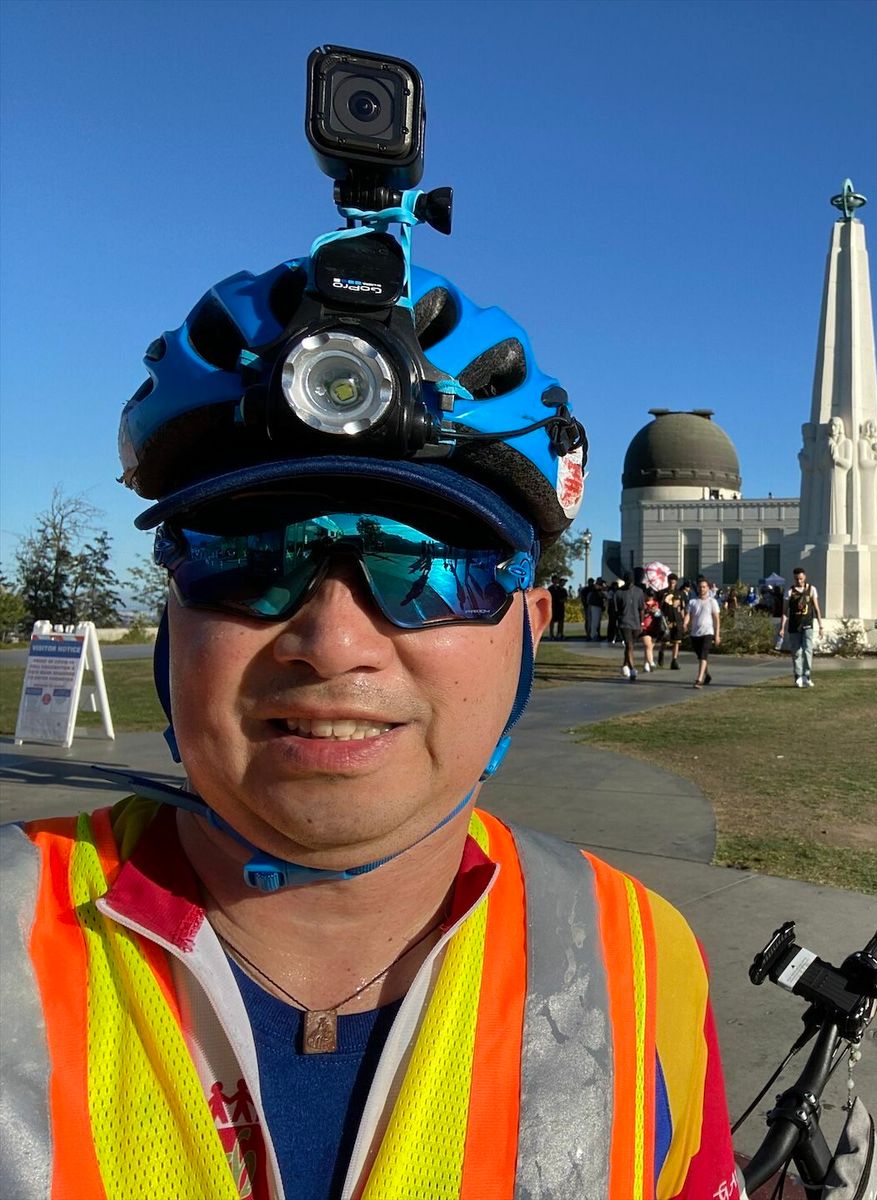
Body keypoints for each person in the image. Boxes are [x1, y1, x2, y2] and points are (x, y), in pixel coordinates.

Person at [1, 256, 742, 1196]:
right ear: (173, 622)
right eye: (246, 557)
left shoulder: (643, 961)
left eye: (430, 566)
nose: (334, 643)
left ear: (529, 632)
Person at [779, 567, 823, 687]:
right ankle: (798, 676)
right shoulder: (789, 592)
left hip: (807, 625)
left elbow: (816, 609)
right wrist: (782, 627)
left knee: (808, 650)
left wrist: (821, 626)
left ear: (805, 577)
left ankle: (806, 676)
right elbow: (785, 611)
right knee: (796, 652)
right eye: (797, 579)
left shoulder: (811, 589)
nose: (799, 581)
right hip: (794, 626)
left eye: (801, 578)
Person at [686, 576, 722, 687]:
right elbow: (688, 615)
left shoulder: (712, 602)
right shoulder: (693, 602)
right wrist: (685, 623)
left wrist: (717, 635)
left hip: (707, 632)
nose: (702, 589)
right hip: (695, 633)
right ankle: (707, 675)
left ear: (708, 588)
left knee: (703, 656)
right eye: (700, 587)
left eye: (704, 587)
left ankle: (699, 679)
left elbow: (716, 619)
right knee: (700, 657)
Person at [616, 572, 644, 679]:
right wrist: (617, 624)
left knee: (630, 646)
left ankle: (625, 665)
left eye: (631, 582)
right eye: (628, 582)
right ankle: (632, 669)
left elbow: (641, 608)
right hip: (624, 622)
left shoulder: (639, 591)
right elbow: (616, 610)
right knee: (629, 645)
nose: (630, 584)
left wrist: (641, 623)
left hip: (636, 623)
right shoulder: (619, 593)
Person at [547, 575, 568, 640]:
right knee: (552, 621)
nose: (556, 581)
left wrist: (562, 600)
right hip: (553, 607)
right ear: (552, 580)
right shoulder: (550, 589)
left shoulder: (561, 589)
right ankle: (551, 635)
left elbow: (565, 597)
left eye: (557, 580)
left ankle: (560, 634)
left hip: (560, 607)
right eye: (554, 580)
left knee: (560, 621)